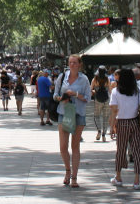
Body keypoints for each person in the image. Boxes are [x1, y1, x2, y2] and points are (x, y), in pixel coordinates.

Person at [109, 68, 140, 190]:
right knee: (138, 150)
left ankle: (118, 177)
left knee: (120, 150)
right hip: (135, 122)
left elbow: (114, 110)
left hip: (121, 123)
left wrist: (112, 126)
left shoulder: (116, 91)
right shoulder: (138, 90)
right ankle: (137, 181)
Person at [54, 54, 90, 188]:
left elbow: (88, 97)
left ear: (80, 64)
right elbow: (55, 95)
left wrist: (75, 94)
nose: (72, 65)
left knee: (75, 146)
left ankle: (74, 177)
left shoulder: (84, 79)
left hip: (78, 114)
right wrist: (61, 98)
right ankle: (67, 170)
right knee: (63, 146)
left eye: (75, 62)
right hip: (64, 113)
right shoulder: (62, 77)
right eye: (70, 62)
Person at [91, 65, 110, 142]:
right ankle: (104, 135)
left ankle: (99, 130)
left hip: (98, 100)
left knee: (96, 116)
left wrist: (94, 92)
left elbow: (91, 89)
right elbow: (110, 91)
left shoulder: (95, 79)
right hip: (106, 100)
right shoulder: (107, 79)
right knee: (105, 118)